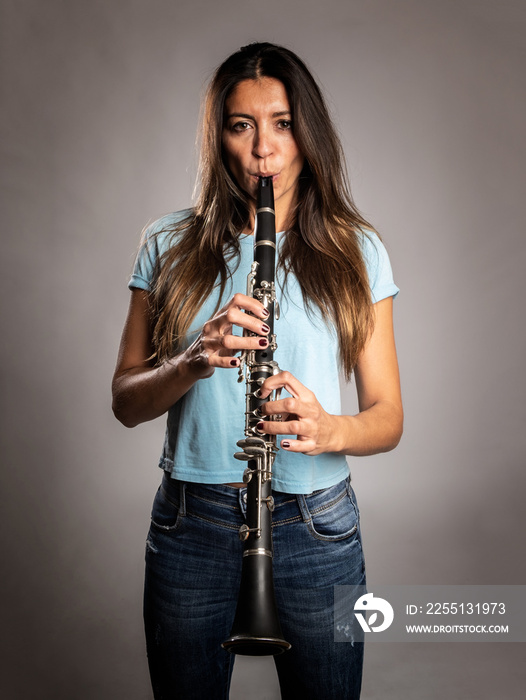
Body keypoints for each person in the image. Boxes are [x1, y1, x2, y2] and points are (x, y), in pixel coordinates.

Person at [112, 42, 403, 700]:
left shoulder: (358, 249)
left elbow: (389, 417)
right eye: (241, 125)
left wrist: (327, 429)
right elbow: (127, 401)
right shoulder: (168, 242)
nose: (263, 148)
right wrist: (191, 361)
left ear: (308, 133)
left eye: (282, 122)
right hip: (192, 525)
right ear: (220, 138)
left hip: (316, 526)